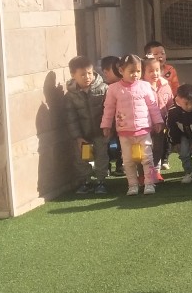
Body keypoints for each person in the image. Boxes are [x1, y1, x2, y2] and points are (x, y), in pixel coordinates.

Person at [101, 54, 165, 196]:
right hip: (124, 131)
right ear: (121, 70)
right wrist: (106, 125)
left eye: (138, 71)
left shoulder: (145, 86)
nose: (135, 74)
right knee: (128, 161)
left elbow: (153, 106)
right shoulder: (114, 89)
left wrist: (158, 121)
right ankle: (132, 185)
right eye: (131, 71)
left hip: (143, 129)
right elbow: (109, 108)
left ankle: (149, 183)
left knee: (147, 159)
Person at [65, 55, 109, 194]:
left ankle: (101, 181)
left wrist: (108, 127)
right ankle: (85, 181)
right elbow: (71, 118)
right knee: (82, 158)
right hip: (83, 134)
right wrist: (78, 137)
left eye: (89, 73)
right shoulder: (71, 96)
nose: (87, 77)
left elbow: (108, 110)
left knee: (101, 157)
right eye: (82, 75)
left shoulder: (103, 89)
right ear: (73, 75)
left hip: (100, 132)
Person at [142, 55, 173, 182]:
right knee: (145, 150)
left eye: (157, 70)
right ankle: (144, 173)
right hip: (145, 124)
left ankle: (156, 171)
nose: (155, 73)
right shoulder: (141, 87)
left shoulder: (165, 85)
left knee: (158, 148)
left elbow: (170, 102)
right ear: (143, 73)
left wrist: (170, 119)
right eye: (150, 71)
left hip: (161, 123)